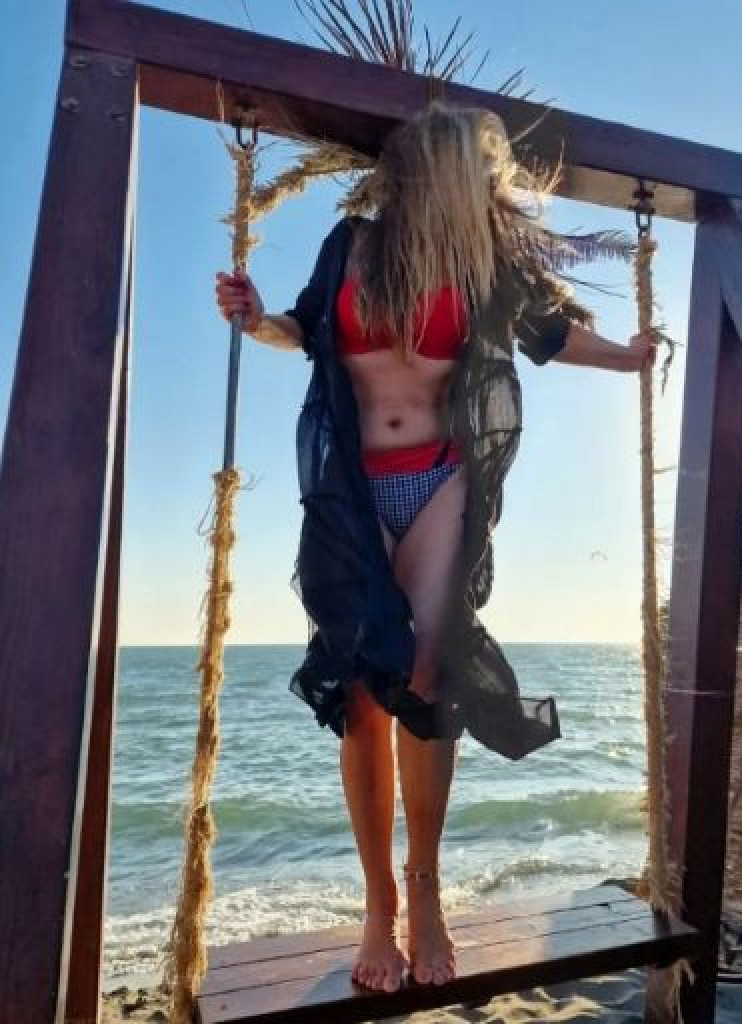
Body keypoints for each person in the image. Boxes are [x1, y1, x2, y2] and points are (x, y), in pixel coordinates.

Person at [215, 103, 653, 994]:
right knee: (363, 696)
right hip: (353, 488)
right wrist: (256, 318)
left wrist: (632, 358)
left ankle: (424, 889)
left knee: (423, 678)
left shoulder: (483, 259)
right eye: (469, 169)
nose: (481, 184)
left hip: (441, 481)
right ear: (425, 172)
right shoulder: (351, 245)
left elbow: (549, 335)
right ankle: (377, 903)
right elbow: (303, 328)